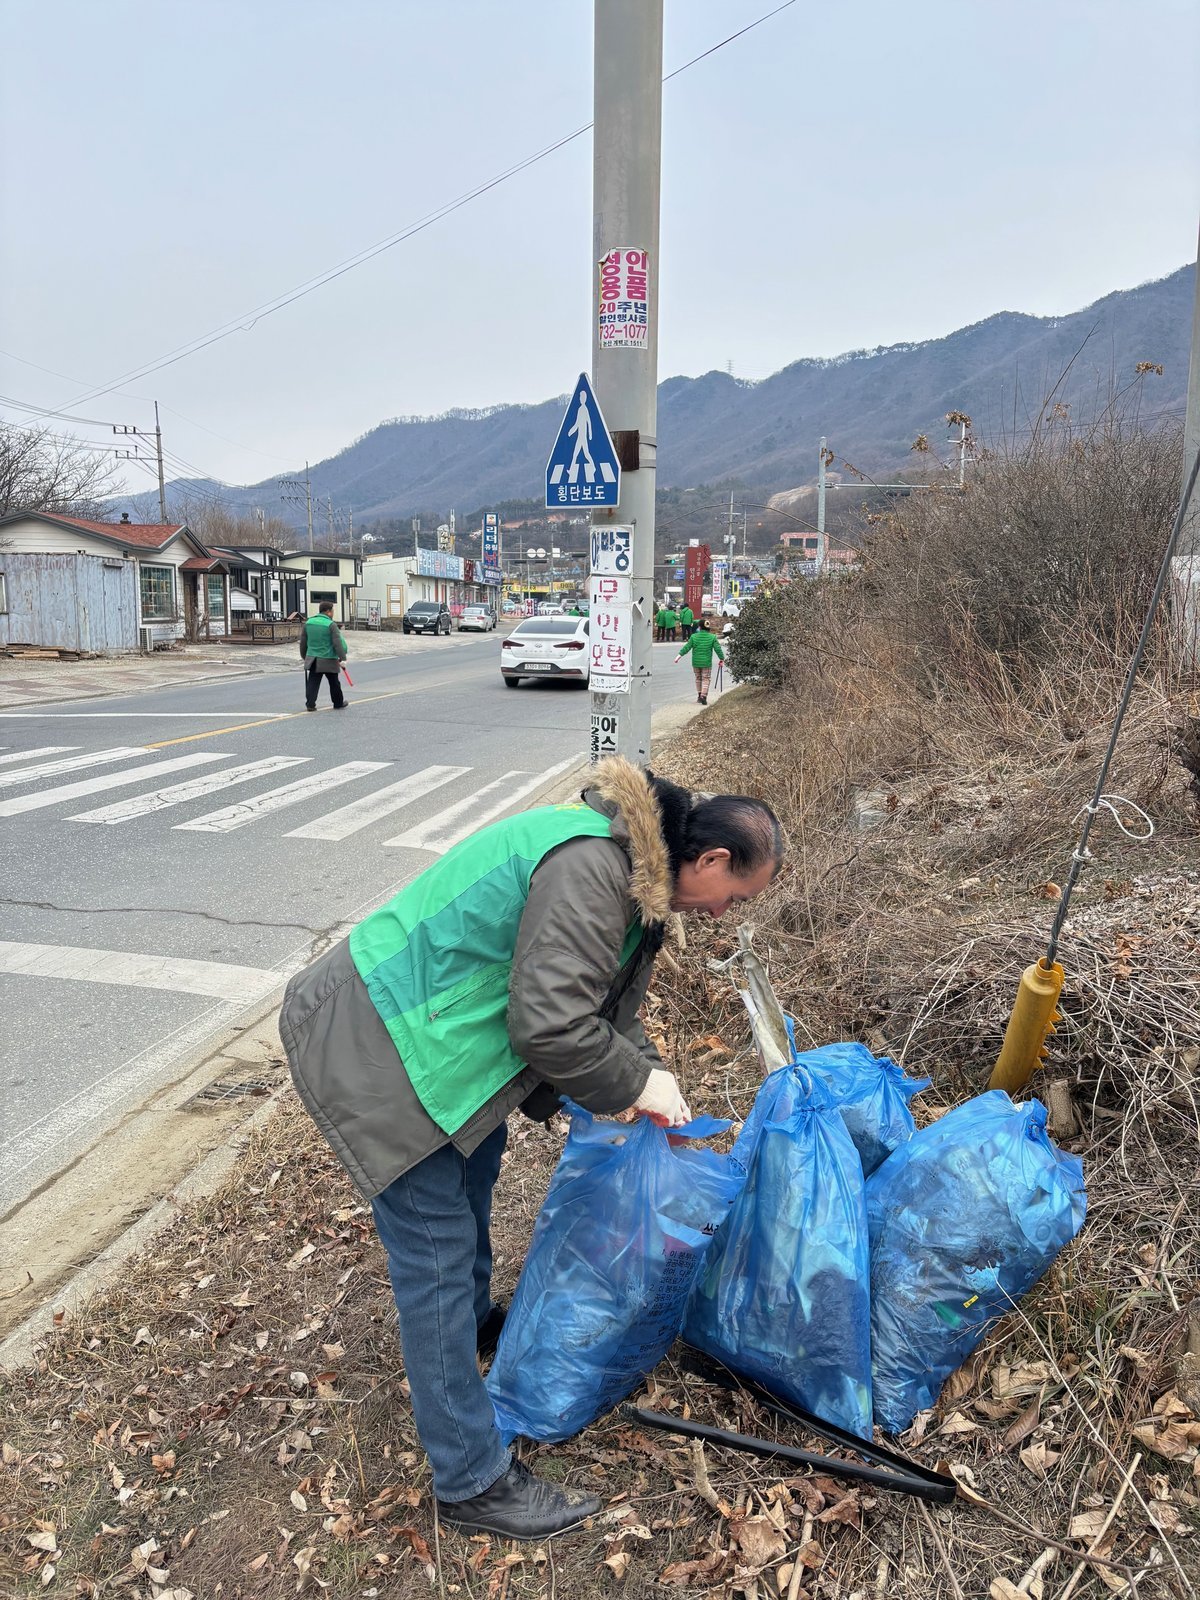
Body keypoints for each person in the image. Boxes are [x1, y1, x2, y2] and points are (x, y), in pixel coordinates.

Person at [280, 758, 784, 1542]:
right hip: (380, 1041)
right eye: (736, 896)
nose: (726, 913)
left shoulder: (637, 877)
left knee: (475, 1173)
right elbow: (550, 1025)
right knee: (435, 1260)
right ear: (712, 858)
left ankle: (476, 1321)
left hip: (443, 1045)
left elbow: (603, 1011)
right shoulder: (594, 868)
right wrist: (633, 1083)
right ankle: (470, 1480)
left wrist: (651, 1078)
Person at [300, 601, 348, 711]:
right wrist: (343, 658)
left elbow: (303, 643)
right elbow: (337, 643)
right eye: (333, 611)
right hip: (328, 659)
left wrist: (304, 656)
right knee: (334, 682)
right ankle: (338, 703)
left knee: (313, 682)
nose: (333, 613)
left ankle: (310, 704)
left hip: (313, 659)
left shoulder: (308, 623)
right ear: (328, 611)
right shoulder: (331, 625)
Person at [675, 613, 724, 705]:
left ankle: (699, 696)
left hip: (696, 662)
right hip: (706, 663)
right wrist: (721, 659)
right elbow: (718, 649)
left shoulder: (693, 637)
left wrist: (679, 656)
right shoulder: (712, 637)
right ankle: (703, 696)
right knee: (706, 678)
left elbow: (687, 647)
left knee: (698, 678)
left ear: (700, 627)